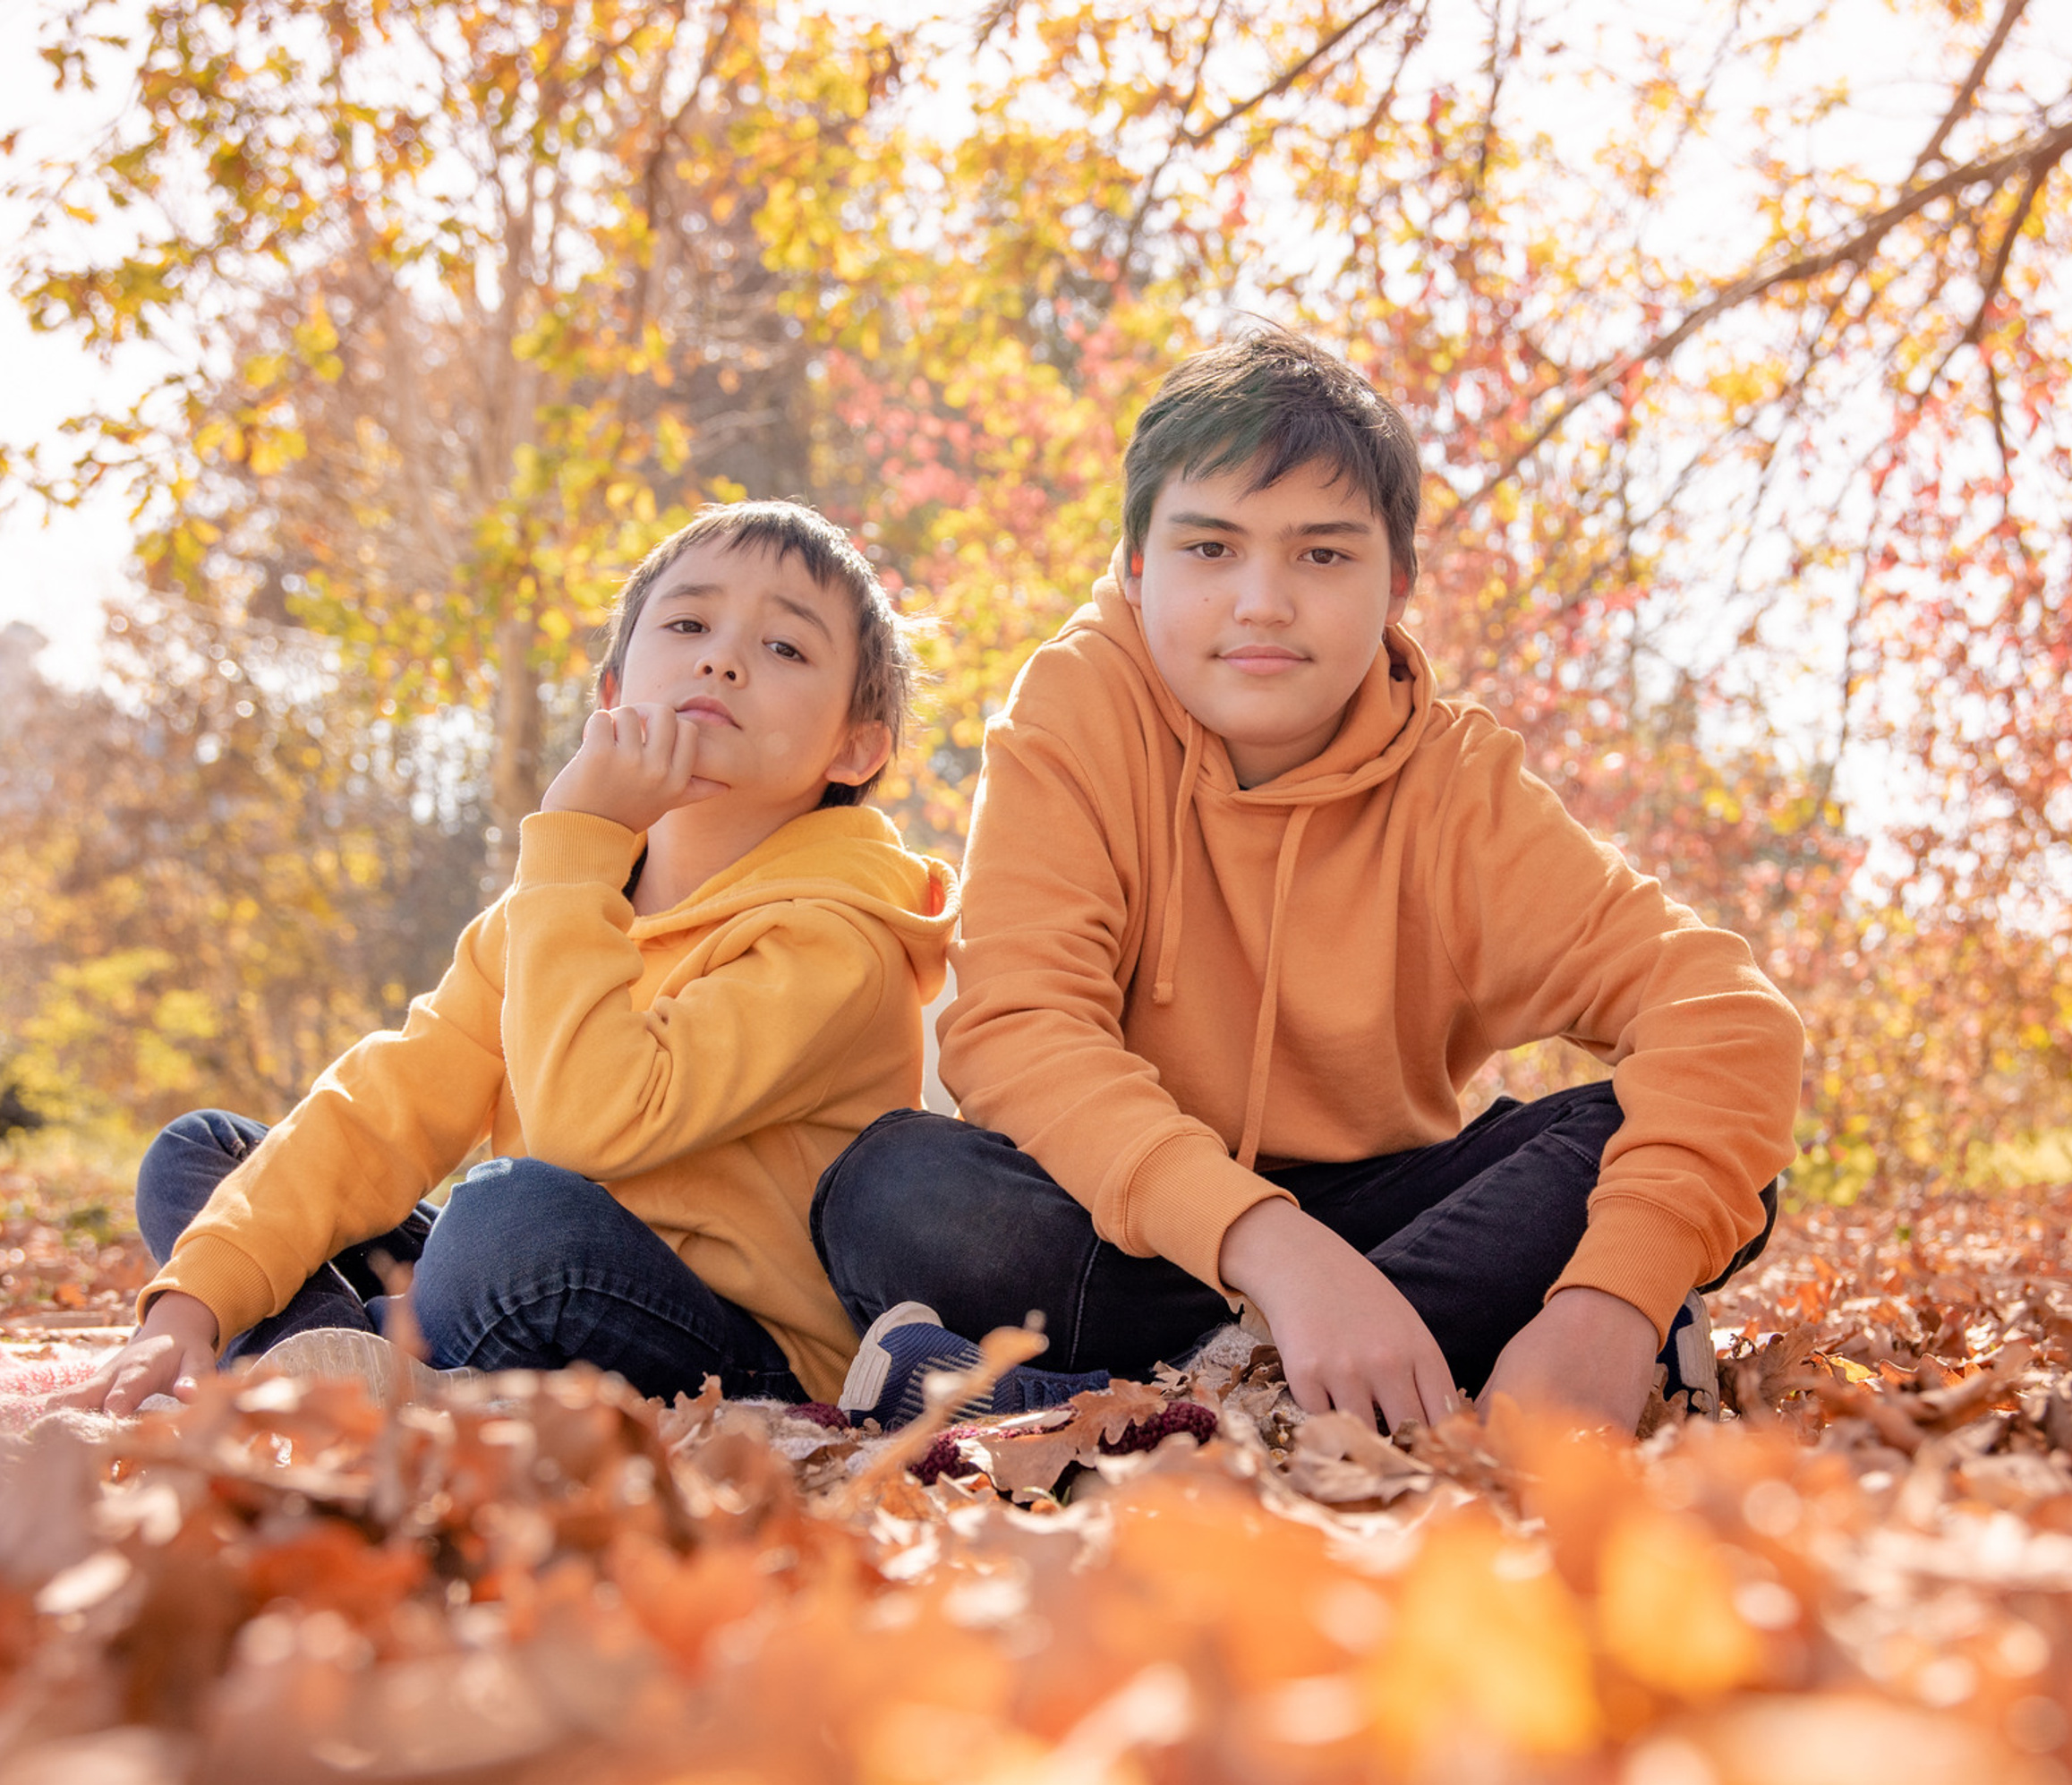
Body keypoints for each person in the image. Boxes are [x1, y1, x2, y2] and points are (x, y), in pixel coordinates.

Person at [814, 328, 1802, 1434]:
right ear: (1137, 567)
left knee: (1694, 1148)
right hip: (1138, 1226)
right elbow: (1017, 1027)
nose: (1263, 602)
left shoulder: (1456, 780)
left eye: (1322, 555)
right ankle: (1349, 1382)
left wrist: (1606, 1306)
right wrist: (1275, 1254)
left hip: (1397, 1214)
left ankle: (1139, 1412)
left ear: (1397, 586)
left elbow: (1725, 1017)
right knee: (893, 1191)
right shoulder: (1078, 706)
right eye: (1210, 550)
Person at [60, 500, 954, 1416]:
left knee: (507, 1218)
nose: (721, 658)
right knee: (204, 1156)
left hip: (727, 1348)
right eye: (688, 623)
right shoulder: (559, 907)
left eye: (785, 650)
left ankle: (347, 1365)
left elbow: (590, 1127)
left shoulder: (840, 935)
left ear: (855, 747)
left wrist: (579, 837)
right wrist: (190, 1305)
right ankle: (327, 1367)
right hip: (521, 1287)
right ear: (612, 695)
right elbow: (389, 1104)